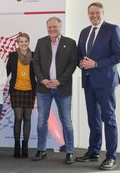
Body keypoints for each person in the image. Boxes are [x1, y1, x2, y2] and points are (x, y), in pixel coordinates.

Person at [75, 2, 120, 170]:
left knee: (108, 119)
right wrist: (81, 63)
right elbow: (80, 54)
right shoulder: (84, 32)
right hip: (88, 82)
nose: (94, 16)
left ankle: (111, 157)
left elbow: (118, 55)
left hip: (106, 82)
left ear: (103, 13)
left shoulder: (112, 29)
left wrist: (96, 64)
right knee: (93, 119)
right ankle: (93, 152)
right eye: (91, 13)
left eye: (97, 13)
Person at [32, 17, 77, 164]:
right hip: (43, 88)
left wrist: (59, 81)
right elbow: (36, 63)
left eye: (55, 27)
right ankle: (41, 150)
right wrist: (42, 80)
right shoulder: (41, 41)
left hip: (62, 88)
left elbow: (72, 64)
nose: (52, 29)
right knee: (41, 121)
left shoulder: (70, 43)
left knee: (66, 121)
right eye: (49, 27)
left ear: (60, 27)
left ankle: (69, 152)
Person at [6, 33, 36, 158]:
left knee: (27, 118)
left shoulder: (34, 56)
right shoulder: (12, 55)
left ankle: (25, 145)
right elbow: (6, 72)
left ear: (29, 42)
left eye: (26, 41)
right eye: (21, 41)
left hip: (29, 90)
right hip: (16, 90)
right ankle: (17, 145)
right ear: (17, 43)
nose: (23, 43)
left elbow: (39, 72)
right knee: (18, 118)